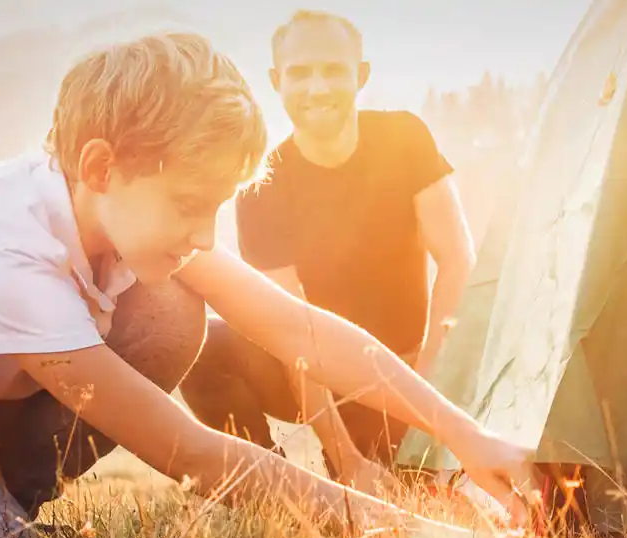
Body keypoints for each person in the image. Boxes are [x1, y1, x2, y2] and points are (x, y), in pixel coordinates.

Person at [0, 31, 537, 538]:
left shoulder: (120, 213)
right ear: (103, 167)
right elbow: (190, 452)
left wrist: (468, 438)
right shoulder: (4, 258)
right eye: (190, 206)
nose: (207, 233)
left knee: (169, 312)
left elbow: (301, 331)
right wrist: (403, 533)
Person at [179, 11, 478, 492]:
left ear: (361, 75)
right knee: (204, 346)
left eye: (333, 70)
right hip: (322, 375)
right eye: (299, 73)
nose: (317, 87)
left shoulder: (405, 138)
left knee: (415, 491)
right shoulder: (263, 184)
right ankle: (267, 485)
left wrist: (425, 390)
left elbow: (458, 260)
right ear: (277, 81)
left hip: (411, 367)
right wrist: (346, 458)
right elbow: (288, 331)